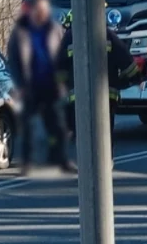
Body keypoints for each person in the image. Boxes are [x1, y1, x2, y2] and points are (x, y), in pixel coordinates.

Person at [56, 9, 141, 155]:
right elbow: (127, 61)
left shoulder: (69, 37)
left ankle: (86, 167)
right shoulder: (108, 35)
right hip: (107, 95)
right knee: (105, 130)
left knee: (81, 132)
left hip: (78, 97)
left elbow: (58, 68)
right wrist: (131, 80)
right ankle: (106, 162)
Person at [5, 0, 72, 174]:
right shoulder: (21, 32)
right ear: (33, 10)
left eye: (45, 10)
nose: (42, 13)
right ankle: (26, 163)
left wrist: (65, 81)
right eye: (39, 10)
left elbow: (65, 56)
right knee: (27, 127)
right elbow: (14, 61)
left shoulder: (55, 29)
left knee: (58, 126)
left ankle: (61, 160)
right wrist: (19, 85)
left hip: (52, 85)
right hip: (30, 86)